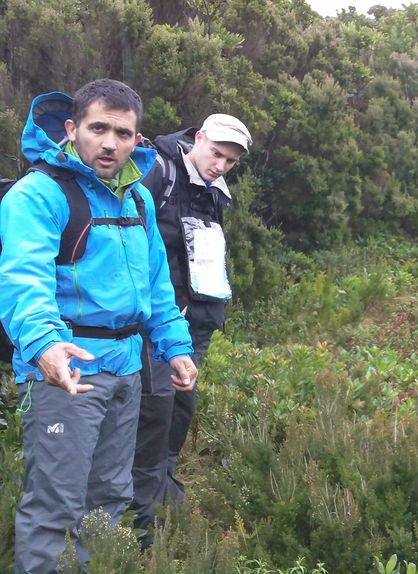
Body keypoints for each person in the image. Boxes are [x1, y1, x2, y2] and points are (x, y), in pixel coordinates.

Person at [0, 79, 197, 574]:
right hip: (67, 372)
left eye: (124, 133)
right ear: (72, 129)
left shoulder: (137, 199)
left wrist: (174, 345)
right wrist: (45, 346)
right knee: (57, 505)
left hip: (128, 369)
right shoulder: (38, 194)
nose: (110, 143)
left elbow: (156, 285)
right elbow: (24, 278)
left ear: (138, 138)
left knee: (110, 495)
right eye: (98, 128)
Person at [131, 113, 250, 544]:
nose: (220, 165)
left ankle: (163, 499)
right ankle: (139, 524)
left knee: (179, 412)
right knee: (152, 415)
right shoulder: (156, 171)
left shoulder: (215, 192)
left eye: (230, 161)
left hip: (194, 327)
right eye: (216, 153)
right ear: (198, 138)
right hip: (155, 325)